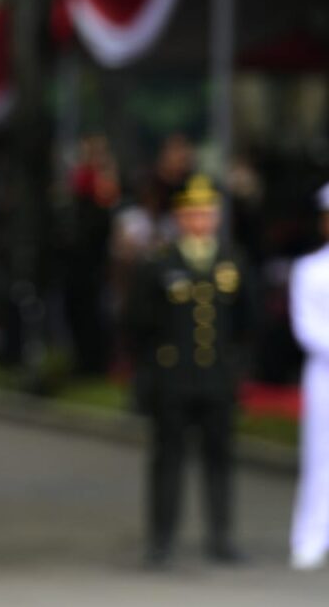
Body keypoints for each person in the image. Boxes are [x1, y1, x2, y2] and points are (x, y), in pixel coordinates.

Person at [126, 175, 256, 568]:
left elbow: (248, 321)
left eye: (207, 213)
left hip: (216, 375)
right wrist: (149, 374)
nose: (200, 220)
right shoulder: (160, 262)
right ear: (180, 217)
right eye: (193, 213)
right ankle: (162, 538)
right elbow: (138, 322)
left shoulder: (232, 259)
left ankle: (221, 535)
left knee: (220, 457)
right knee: (168, 458)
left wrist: (238, 367)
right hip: (174, 377)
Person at [289, 182, 329, 570]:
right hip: (325, 374)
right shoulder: (310, 270)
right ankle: (311, 537)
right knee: (319, 457)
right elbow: (307, 328)